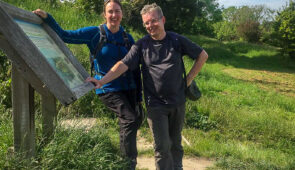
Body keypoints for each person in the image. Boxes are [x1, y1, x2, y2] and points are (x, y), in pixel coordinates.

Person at [86, 3, 209, 170]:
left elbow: (202, 55)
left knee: (176, 143)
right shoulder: (141, 45)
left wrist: (187, 80)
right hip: (155, 104)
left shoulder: (176, 40)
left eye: (153, 21)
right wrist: (102, 81)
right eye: (146, 23)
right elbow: (122, 65)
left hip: (178, 102)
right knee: (162, 146)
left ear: (163, 20)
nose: (150, 26)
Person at [33, 0, 143, 169]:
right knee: (129, 119)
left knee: (133, 120)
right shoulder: (95, 33)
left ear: (122, 14)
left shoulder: (127, 37)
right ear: (104, 14)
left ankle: (123, 159)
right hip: (106, 87)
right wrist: (48, 18)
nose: (114, 15)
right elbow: (65, 35)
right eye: (110, 11)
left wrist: (140, 96)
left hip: (129, 87)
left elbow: (135, 65)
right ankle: (129, 164)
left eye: (117, 11)